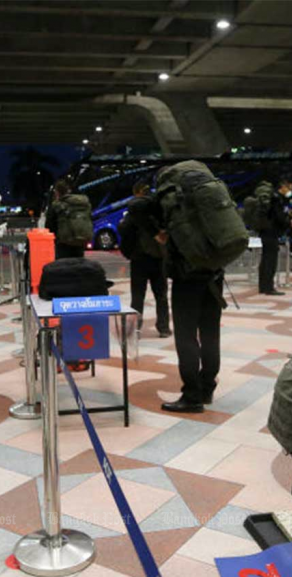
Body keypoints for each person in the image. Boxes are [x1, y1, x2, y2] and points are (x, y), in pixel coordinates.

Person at [158, 173, 225, 414]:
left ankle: (191, 395)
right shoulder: (210, 205)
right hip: (215, 277)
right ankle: (207, 387)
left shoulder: (176, 207)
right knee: (210, 334)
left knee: (186, 337)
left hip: (187, 279)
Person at [119, 181, 171, 337]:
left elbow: (123, 229)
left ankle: (135, 329)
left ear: (137, 192)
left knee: (137, 296)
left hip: (139, 258)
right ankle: (164, 328)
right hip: (158, 257)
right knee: (161, 295)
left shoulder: (134, 210)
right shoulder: (158, 207)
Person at [259, 179, 292, 296]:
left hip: (265, 231)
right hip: (271, 232)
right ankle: (269, 287)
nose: (290, 190)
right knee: (270, 260)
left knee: (265, 259)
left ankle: (263, 286)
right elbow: (279, 217)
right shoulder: (277, 199)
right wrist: (288, 221)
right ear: (283, 186)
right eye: (289, 188)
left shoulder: (272, 198)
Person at [44, 179, 86, 259]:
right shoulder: (79, 203)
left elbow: (49, 226)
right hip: (79, 243)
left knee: (64, 265)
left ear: (57, 192)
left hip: (62, 245)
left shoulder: (56, 206)